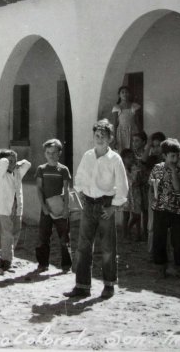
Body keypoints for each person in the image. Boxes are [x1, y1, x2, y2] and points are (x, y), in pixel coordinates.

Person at [65, 119, 128, 298]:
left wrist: (113, 207)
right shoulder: (87, 156)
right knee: (83, 246)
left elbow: (122, 186)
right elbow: (80, 178)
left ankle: (108, 285)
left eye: (103, 136)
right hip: (89, 204)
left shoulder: (115, 159)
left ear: (110, 138)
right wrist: (83, 196)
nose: (99, 139)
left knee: (108, 247)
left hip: (105, 205)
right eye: (97, 135)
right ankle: (82, 286)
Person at [149, 138, 180, 279]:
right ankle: (161, 267)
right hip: (160, 209)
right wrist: (154, 199)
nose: (175, 159)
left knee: (177, 240)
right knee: (159, 238)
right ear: (164, 156)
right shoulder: (157, 169)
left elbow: (178, 187)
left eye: (177, 156)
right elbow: (153, 187)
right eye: (172, 156)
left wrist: (173, 172)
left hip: (176, 210)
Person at [34, 139, 72, 272]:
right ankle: (43, 263)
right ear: (45, 153)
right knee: (43, 237)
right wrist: (43, 206)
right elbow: (39, 188)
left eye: (54, 152)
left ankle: (66, 265)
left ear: (59, 153)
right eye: (48, 152)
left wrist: (66, 208)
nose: (51, 155)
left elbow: (66, 190)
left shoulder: (63, 170)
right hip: (46, 208)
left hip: (60, 207)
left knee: (64, 237)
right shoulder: (41, 169)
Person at [0, 149, 32, 271]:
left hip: (17, 208)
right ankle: (5, 259)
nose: (12, 163)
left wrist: (18, 162)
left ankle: (8, 255)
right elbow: (4, 162)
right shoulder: (0, 173)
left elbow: (27, 164)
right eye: (9, 161)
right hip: (5, 209)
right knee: (7, 234)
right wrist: (6, 159)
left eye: (14, 160)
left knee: (16, 232)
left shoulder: (18, 172)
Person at [112, 86, 141, 154]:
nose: (125, 94)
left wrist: (141, 134)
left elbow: (137, 121)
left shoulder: (134, 106)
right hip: (121, 132)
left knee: (133, 150)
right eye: (122, 92)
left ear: (129, 94)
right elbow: (115, 123)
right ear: (119, 95)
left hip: (133, 131)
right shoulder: (117, 107)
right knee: (122, 151)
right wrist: (114, 138)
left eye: (126, 92)